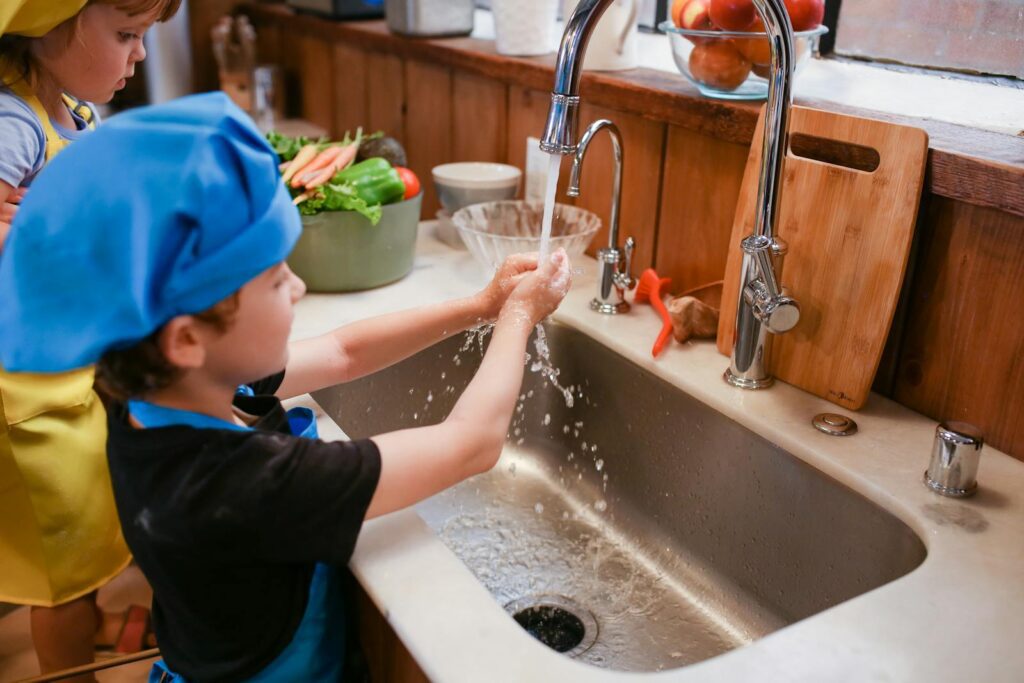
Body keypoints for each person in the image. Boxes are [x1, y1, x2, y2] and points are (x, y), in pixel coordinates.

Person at [0, 92, 573, 682]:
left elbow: (342, 353)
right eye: (275, 278)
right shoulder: (249, 483)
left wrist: (482, 305)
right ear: (186, 337)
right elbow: (471, 443)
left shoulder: (149, 393)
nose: (297, 288)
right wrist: (518, 318)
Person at [0, 0, 181, 678]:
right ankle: (68, 659)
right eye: (127, 35)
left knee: (92, 528)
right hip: (28, 399)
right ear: (50, 26)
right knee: (61, 569)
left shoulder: (72, 112)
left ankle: (92, 620)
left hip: (72, 375)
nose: (138, 55)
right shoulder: (11, 123)